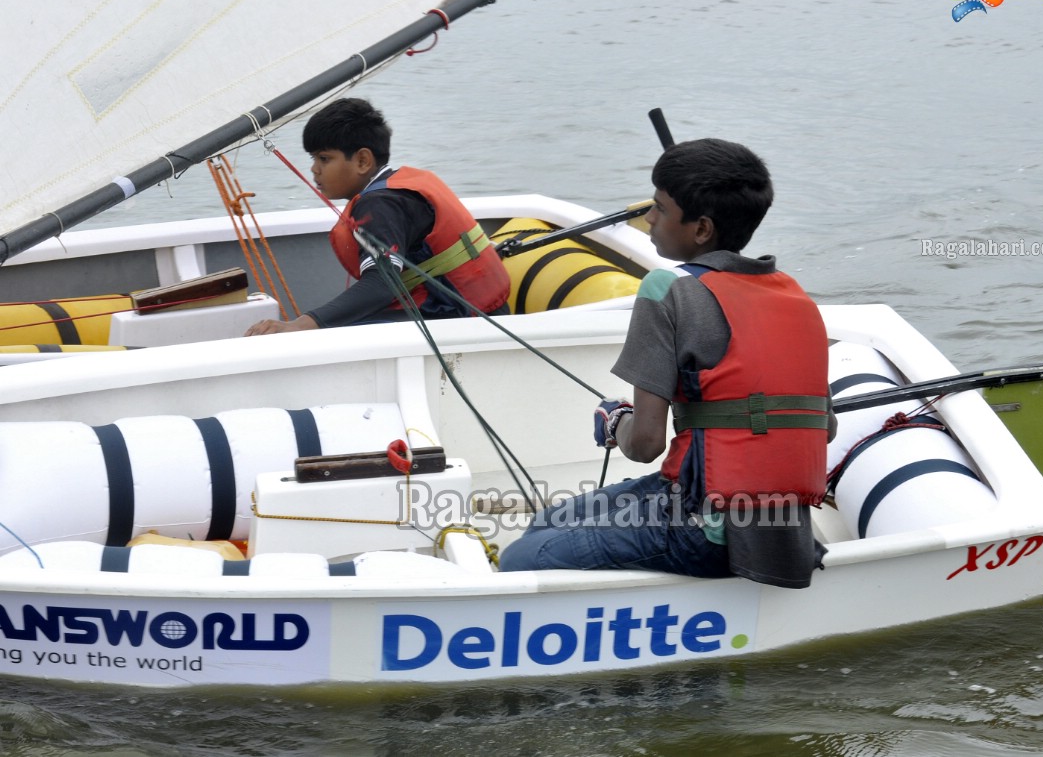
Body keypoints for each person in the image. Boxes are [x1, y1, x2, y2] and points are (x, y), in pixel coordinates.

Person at [499, 138, 837, 587]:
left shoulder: (666, 288)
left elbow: (644, 445)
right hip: (778, 526)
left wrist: (615, 418)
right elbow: (826, 428)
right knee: (549, 521)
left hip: (703, 528)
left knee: (521, 558)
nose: (650, 220)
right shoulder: (796, 299)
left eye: (659, 208)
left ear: (701, 230)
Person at [245, 98, 510, 336]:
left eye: (325, 158)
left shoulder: (380, 204)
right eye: (314, 158)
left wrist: (302, 324)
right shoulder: (396, 186)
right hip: (482, 310)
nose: (314, 169)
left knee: (321, 334)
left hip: (459, 319)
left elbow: (384, 283)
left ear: (362, 161)